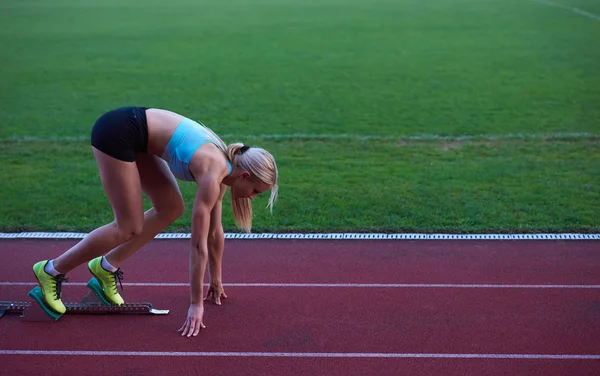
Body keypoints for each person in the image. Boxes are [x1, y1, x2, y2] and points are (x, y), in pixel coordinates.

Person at [31, 107, 278, 337]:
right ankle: (51, 270)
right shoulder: (214, 173)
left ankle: (106, 267)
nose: (252, 197)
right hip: (118, 132)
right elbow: (197, 244)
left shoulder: (223, 170)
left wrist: (216, 279)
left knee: (170, 208)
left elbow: (215, 233)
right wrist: (195, 304)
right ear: (244, 175)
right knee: (128, 227)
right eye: (256, 191)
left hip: (140, 138)